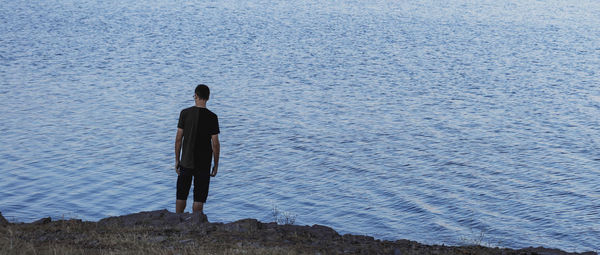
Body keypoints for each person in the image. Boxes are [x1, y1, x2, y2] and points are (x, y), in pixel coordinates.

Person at [174, 84, 220, 213]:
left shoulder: (184, 113)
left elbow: (178, 139)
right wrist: (216, 165)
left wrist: (177, 160)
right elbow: (215, 144)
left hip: (186, 160)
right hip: (203, 163)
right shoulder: (212, 117)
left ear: (196, 96)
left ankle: (177, 221)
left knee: (181, 194)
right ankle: (196, 225)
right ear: (208, 98)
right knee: (199, 198)